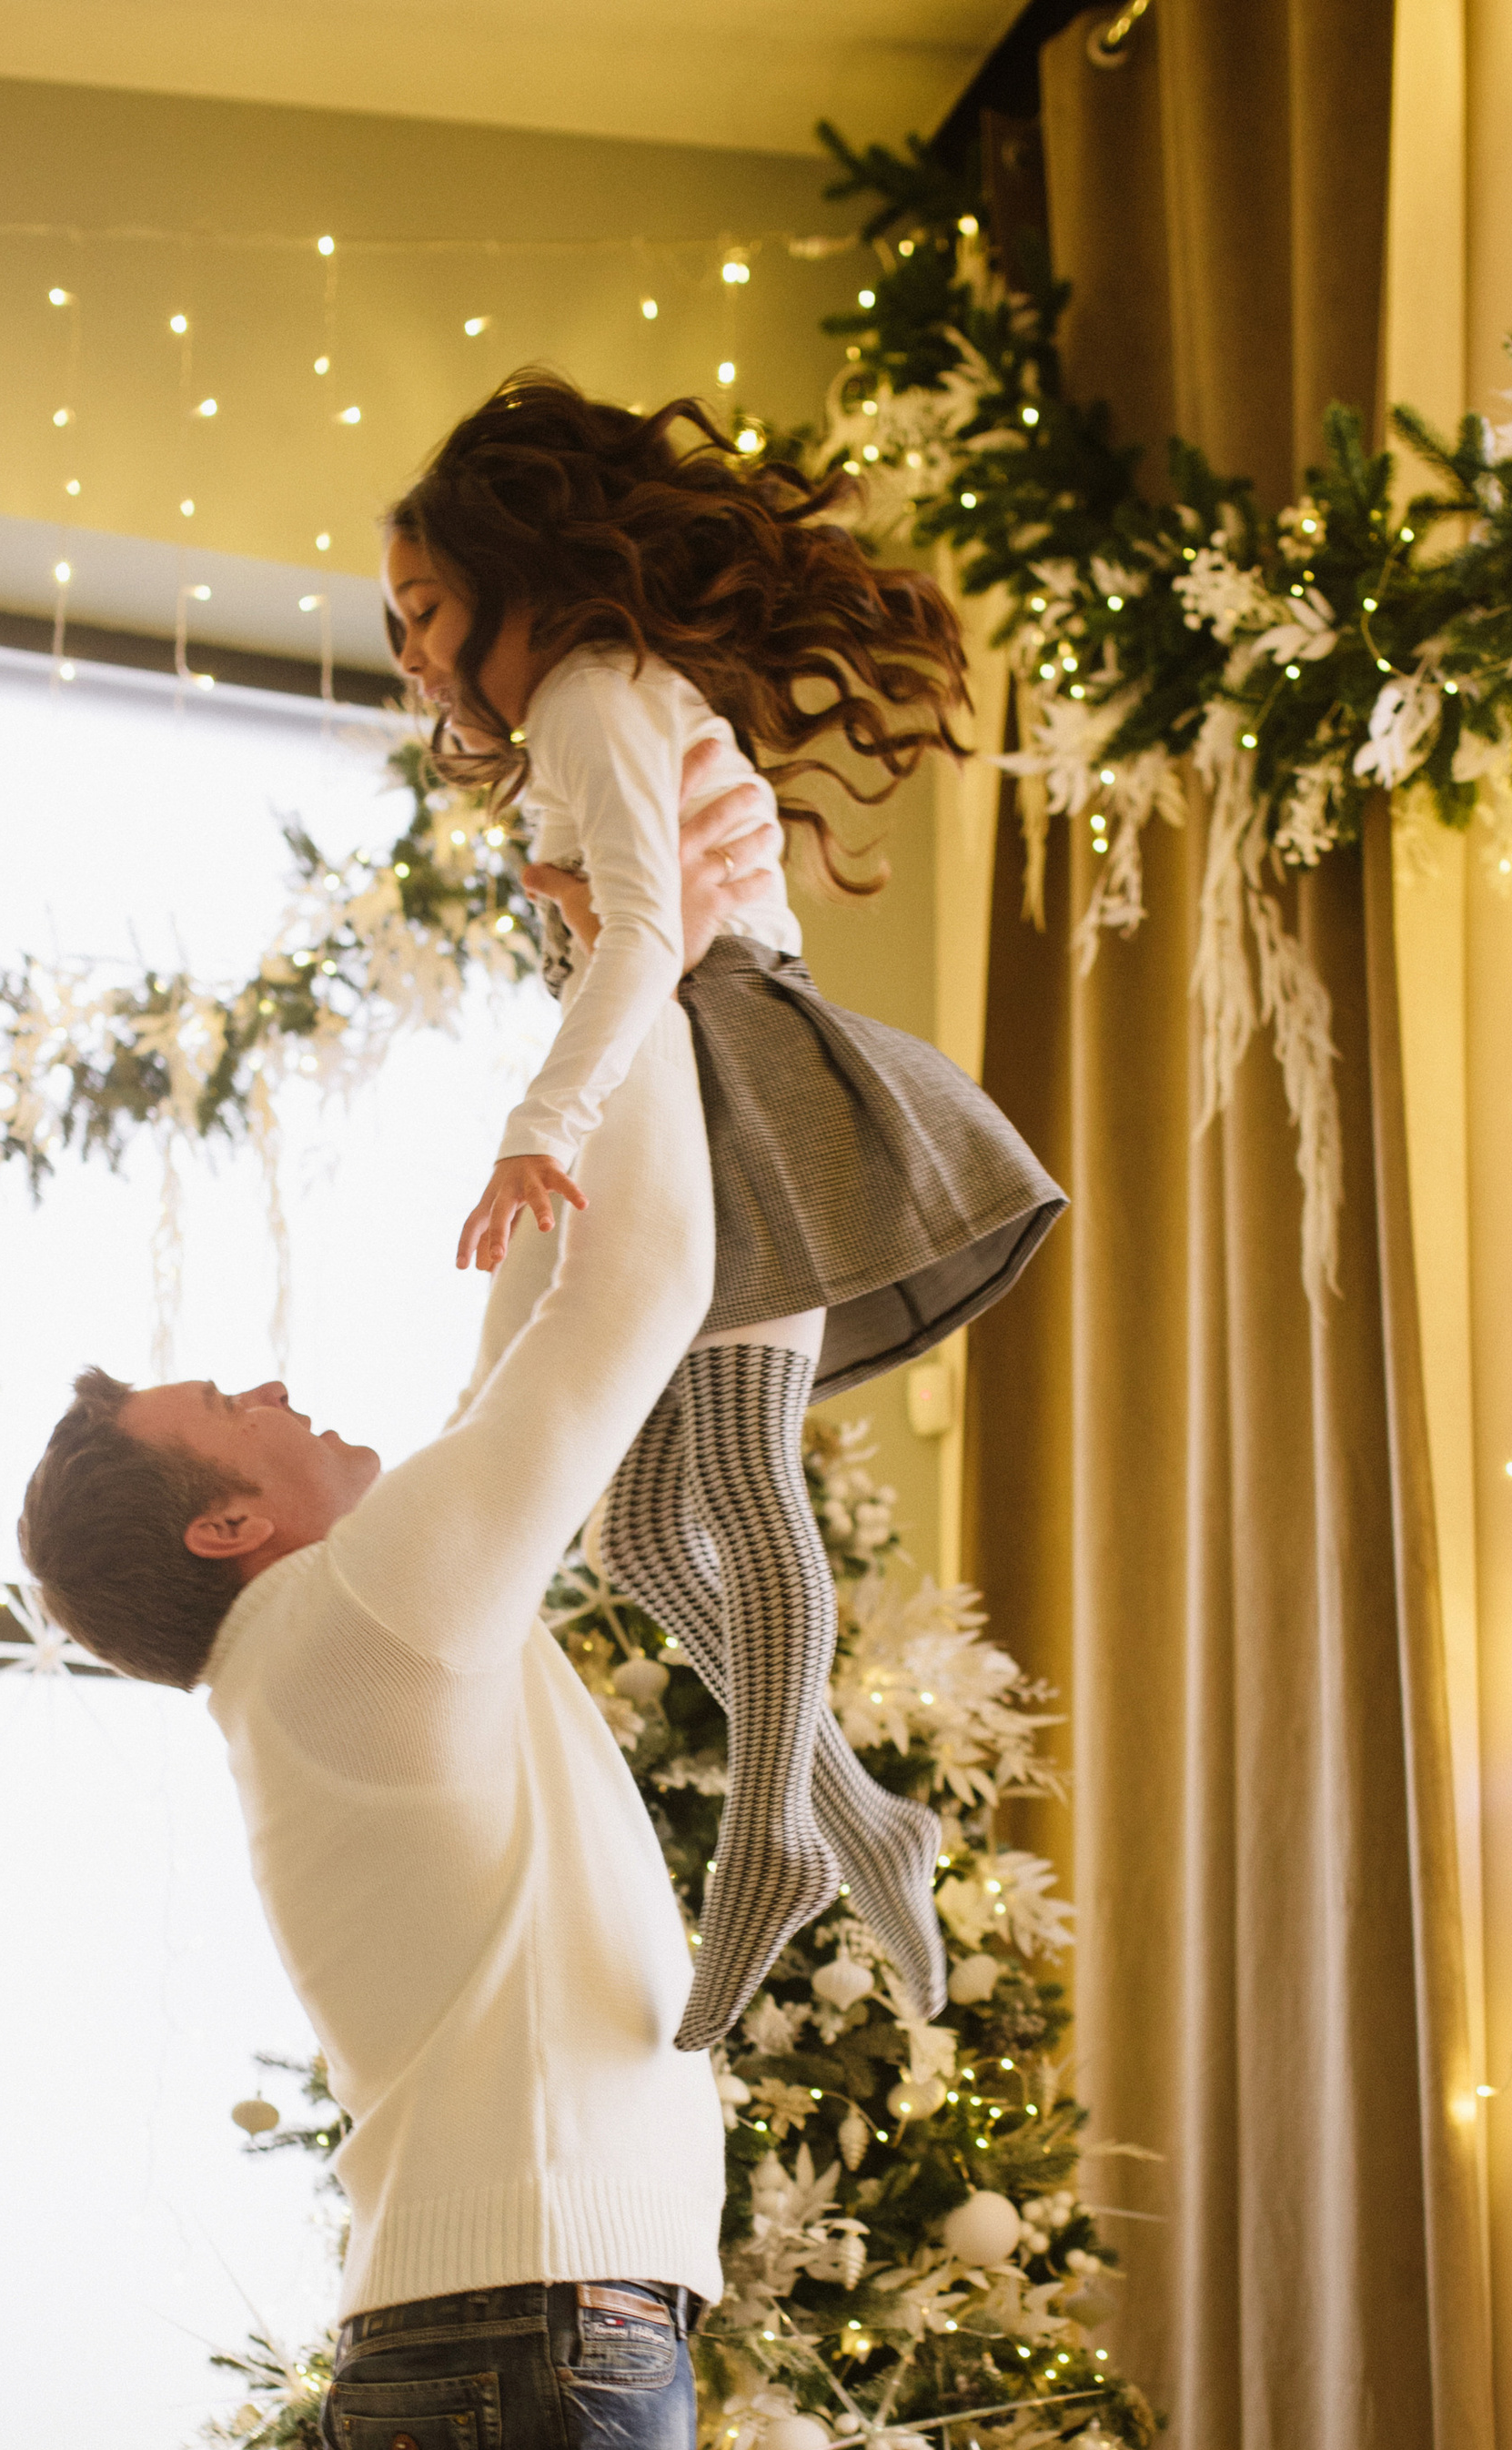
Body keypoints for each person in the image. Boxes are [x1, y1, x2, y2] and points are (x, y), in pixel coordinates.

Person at [16, 787, 781, 2450]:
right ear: (227, 1515)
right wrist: (647, 951)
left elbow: (558, 1311)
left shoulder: (350, 1638)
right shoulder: (355, 1614)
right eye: (238, 1395)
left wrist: (625, 970)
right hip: (543, 2344)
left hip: (504, 2337)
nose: (298, 1378)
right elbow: (643, 1279)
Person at [382, 370, 1064, 2051]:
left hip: (731, 1073)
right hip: (696, 1070)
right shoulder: (603, 703)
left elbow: (644, 937)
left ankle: (771, 1830)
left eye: (423, 609)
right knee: (630, 1531)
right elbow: (634, 907)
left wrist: (540, 1123)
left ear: (514, 585)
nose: (405, 649)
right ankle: (848, 1813)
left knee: (733, 1478)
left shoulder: (596, 692)